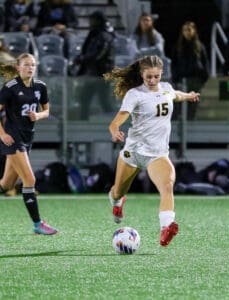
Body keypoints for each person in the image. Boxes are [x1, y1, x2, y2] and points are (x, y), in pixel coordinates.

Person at [103, 55, 200, 247]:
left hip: (157, 154)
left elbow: (176, 95)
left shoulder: (166, 88)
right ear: (141, 74)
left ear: (161, 74)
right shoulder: (135, 94)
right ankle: (116, 203)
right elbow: (117, 121)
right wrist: (114, 131)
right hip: (134, 152)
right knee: (117, 192)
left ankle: (166, 228)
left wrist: (189, 95)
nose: (153, 81)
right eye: (149, 77)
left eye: (156, 76)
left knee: (167, 185)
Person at [0, 53, 58, 234]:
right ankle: (37, 224)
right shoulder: (9, 87)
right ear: (18, 67)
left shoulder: (40, 86)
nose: (30, 68)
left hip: (27, 137)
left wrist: (38, 115)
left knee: (7, 185)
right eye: (26, 65)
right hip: (13, 138)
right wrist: (2, 134)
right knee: (29, 180)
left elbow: (47, 111)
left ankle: (37, 224)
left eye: (32, 65)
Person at [74, 10, 116, 119]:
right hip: (94, 73)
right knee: (85, 99)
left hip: (102, 74)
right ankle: (83, 123)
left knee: (104, 101)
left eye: (92, 20)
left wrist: (83, 59)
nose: (90, 22)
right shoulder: (95, 34)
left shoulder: (104, 35)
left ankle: (114, 126)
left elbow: (99, 54)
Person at [171, 21, 209, 120]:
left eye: (189, 30)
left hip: (195, 79)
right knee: (179, 104)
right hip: (181, 79)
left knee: (192, 104)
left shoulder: (199, 46)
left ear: (194, 31)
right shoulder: (178, 47)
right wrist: (175, 77)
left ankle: (190, 122)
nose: (187, 32)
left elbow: (205, 62)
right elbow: (174, 63)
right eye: (185, 30)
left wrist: (204, 77)